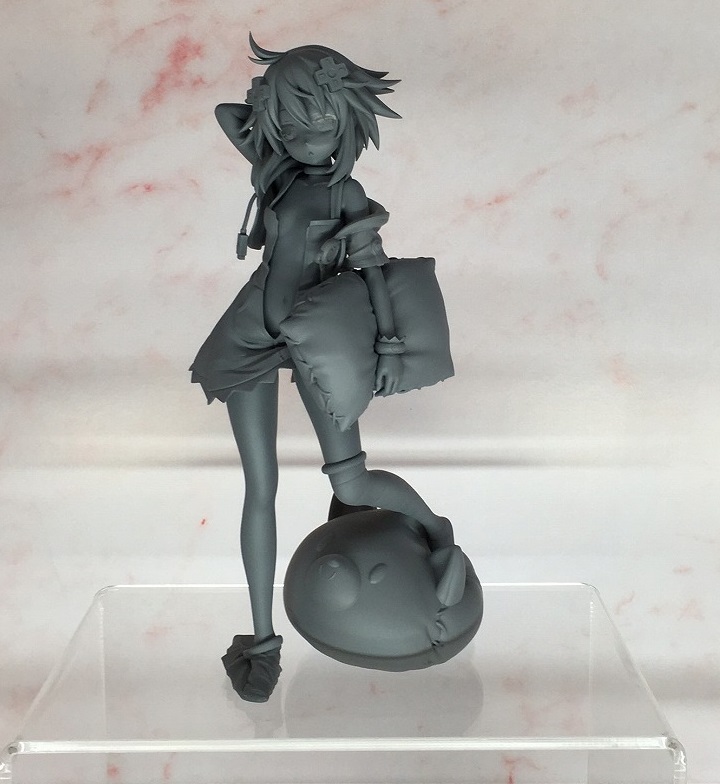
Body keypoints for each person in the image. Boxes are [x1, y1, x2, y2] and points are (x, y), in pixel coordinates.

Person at [191, 35, 453, 702]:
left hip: (320, 335)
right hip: (254, 331)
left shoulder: (347, 192)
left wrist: (388, 345)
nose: (311, 141)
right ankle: (262, 639)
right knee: (260, 485)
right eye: (295, 127)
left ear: (349, 125)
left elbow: (372, 270)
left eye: (326, 126)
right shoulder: (276, 173)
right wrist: (276, 99)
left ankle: (435, 528)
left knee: (352, 479)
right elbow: (227, 114)